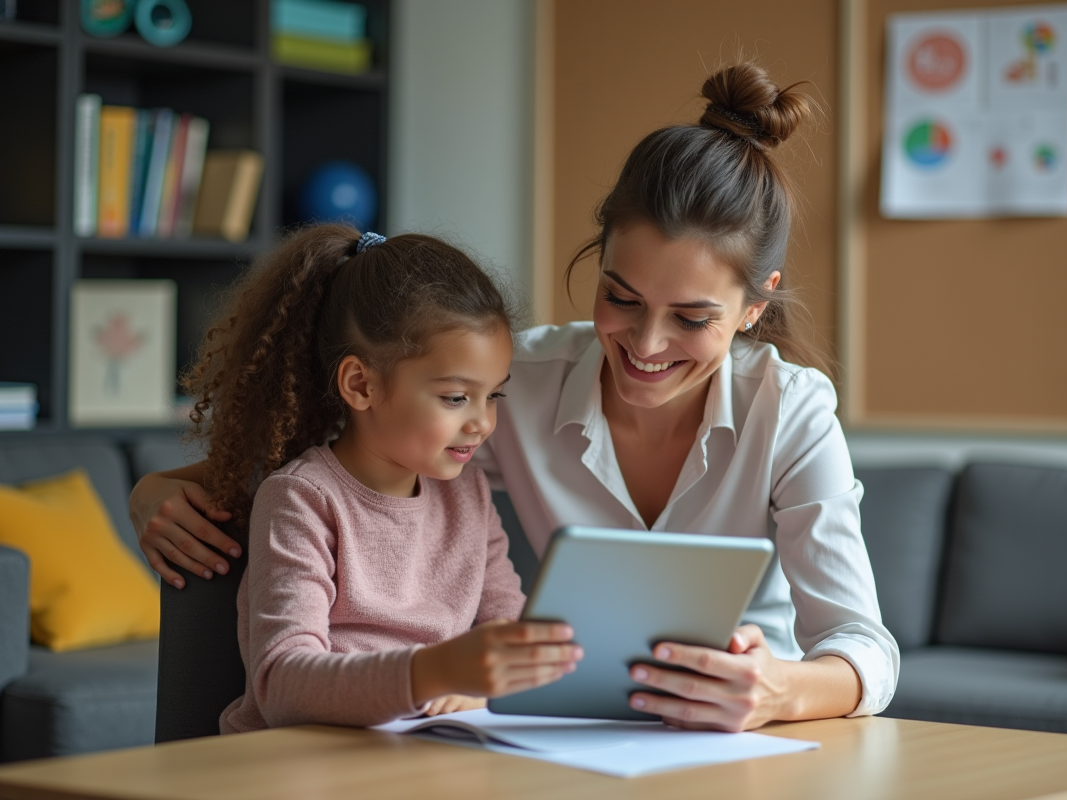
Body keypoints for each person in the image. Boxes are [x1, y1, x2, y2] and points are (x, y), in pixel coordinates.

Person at [132, 63, 899, 733]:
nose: (646, 343)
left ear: (754, 308)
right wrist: (156, 489)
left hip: (742, 738)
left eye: (694, 318)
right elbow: (333, 452)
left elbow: (863, 644)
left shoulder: (789, 409)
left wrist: (778, 690)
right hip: (543, 741)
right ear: (598, 259)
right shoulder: (508, 384)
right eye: (620, 297)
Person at [180, 226, 582, 733]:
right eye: (456, 398)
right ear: (360, 384)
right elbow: (282, 685)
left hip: (427, 752)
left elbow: (511, 628)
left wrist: (483, 681)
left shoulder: (468, 493)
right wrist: (435, 673)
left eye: (493, 396)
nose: (482, 422)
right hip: (303, 763)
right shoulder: (301, 499)